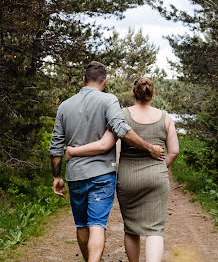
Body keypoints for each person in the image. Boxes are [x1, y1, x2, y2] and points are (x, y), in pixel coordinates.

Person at [49, 62, 165, 262]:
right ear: (105, 82)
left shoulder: (65, 106)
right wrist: (149, 148)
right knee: (97, 224)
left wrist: (57, 176)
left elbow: (56, 146)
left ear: (83, 80)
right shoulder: (108, 100)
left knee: (81, 224)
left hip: (75, 175)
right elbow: (122, 129)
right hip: (102, 175)